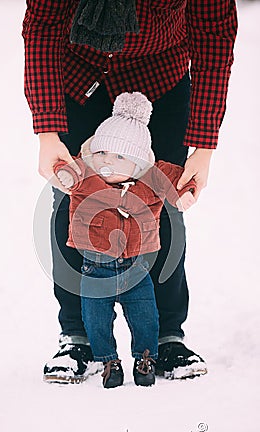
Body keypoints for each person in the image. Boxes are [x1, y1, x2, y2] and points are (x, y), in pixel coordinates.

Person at [22, 0, 238, 383]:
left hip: (159, 77)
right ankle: (77, 337)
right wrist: (47, 132)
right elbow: (43, 23)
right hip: (77, 75)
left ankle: (167, 336)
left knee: (163, 203)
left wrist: (203, 148)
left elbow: (214, 34)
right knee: (73, 199)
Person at [54, 91, 197, 388]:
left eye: (119, 157)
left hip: (136, 270)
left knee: (145, 316)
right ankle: (107, 360)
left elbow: (177, 177)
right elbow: (66, 168)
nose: (107, 162)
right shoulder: (87, 176)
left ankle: (146, 356)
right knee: (96, 319)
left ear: (139, 164)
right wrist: (63, 173)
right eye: (102, 153)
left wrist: (186, 191)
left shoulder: (150, 181)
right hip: (95, 269)